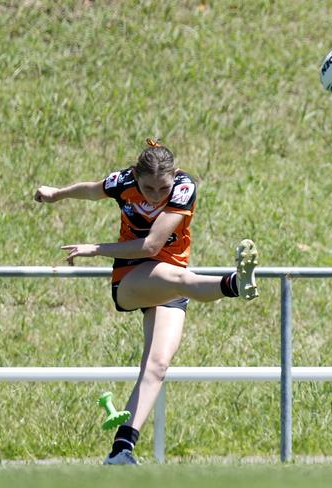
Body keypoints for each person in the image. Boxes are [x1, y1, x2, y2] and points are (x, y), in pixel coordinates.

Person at [34, 138, 258, 465]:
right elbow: (94, 190)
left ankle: (121, 450)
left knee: (157, 366)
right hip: (132, 276)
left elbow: (153, 245)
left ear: (175, 175)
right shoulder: (122, 182)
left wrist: (95, 248)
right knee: (183, 280)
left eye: (161, 188)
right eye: (148, 188)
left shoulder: (184, 188)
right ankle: (236, 284)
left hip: (165, 274)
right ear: (135, 177)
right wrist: (58, 194)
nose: (155, 195)